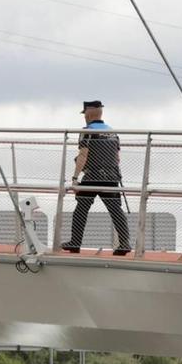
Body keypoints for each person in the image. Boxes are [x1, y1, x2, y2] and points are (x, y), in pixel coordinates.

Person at [62, 99, 131, 255]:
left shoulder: (87, 131)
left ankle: (75, 242)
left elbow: (83, 155)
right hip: (112, 176)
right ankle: (125, 243)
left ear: (88, 112)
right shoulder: (113, 132)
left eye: (84, 113)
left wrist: (74, 178)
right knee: (115, 210)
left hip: (92, 175)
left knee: (81, 209)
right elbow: (117, 158)